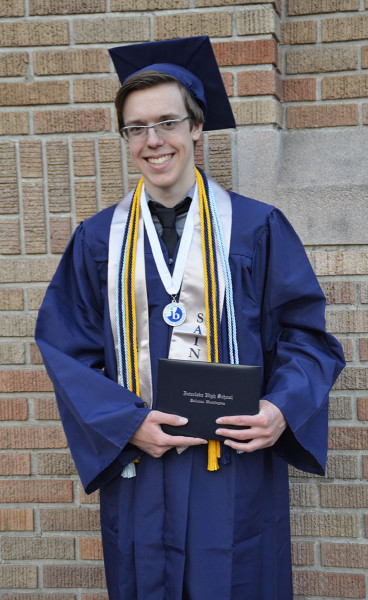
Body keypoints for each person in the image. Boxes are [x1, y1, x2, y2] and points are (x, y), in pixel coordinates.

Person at [35, 36, 345, 600]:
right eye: (136, 128)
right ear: (126, 138)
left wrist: (280, 410)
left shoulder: (256, 229)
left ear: (196, 128)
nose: (153, 141)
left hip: (233, 469)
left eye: (167, 122)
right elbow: (65, 348)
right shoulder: (98, 240)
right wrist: (124, 424)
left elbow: (308, 338)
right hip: (143, 469)